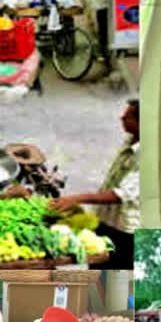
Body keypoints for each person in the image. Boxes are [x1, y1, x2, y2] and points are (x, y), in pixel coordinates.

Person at [49, 100, 139, 269]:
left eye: (128, 117)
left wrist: (77, 198)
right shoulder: (131, 141)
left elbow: (121, 195)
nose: (122, 118)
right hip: (107, 219)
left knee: (117, 267)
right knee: (99, 263)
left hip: (126, 228)